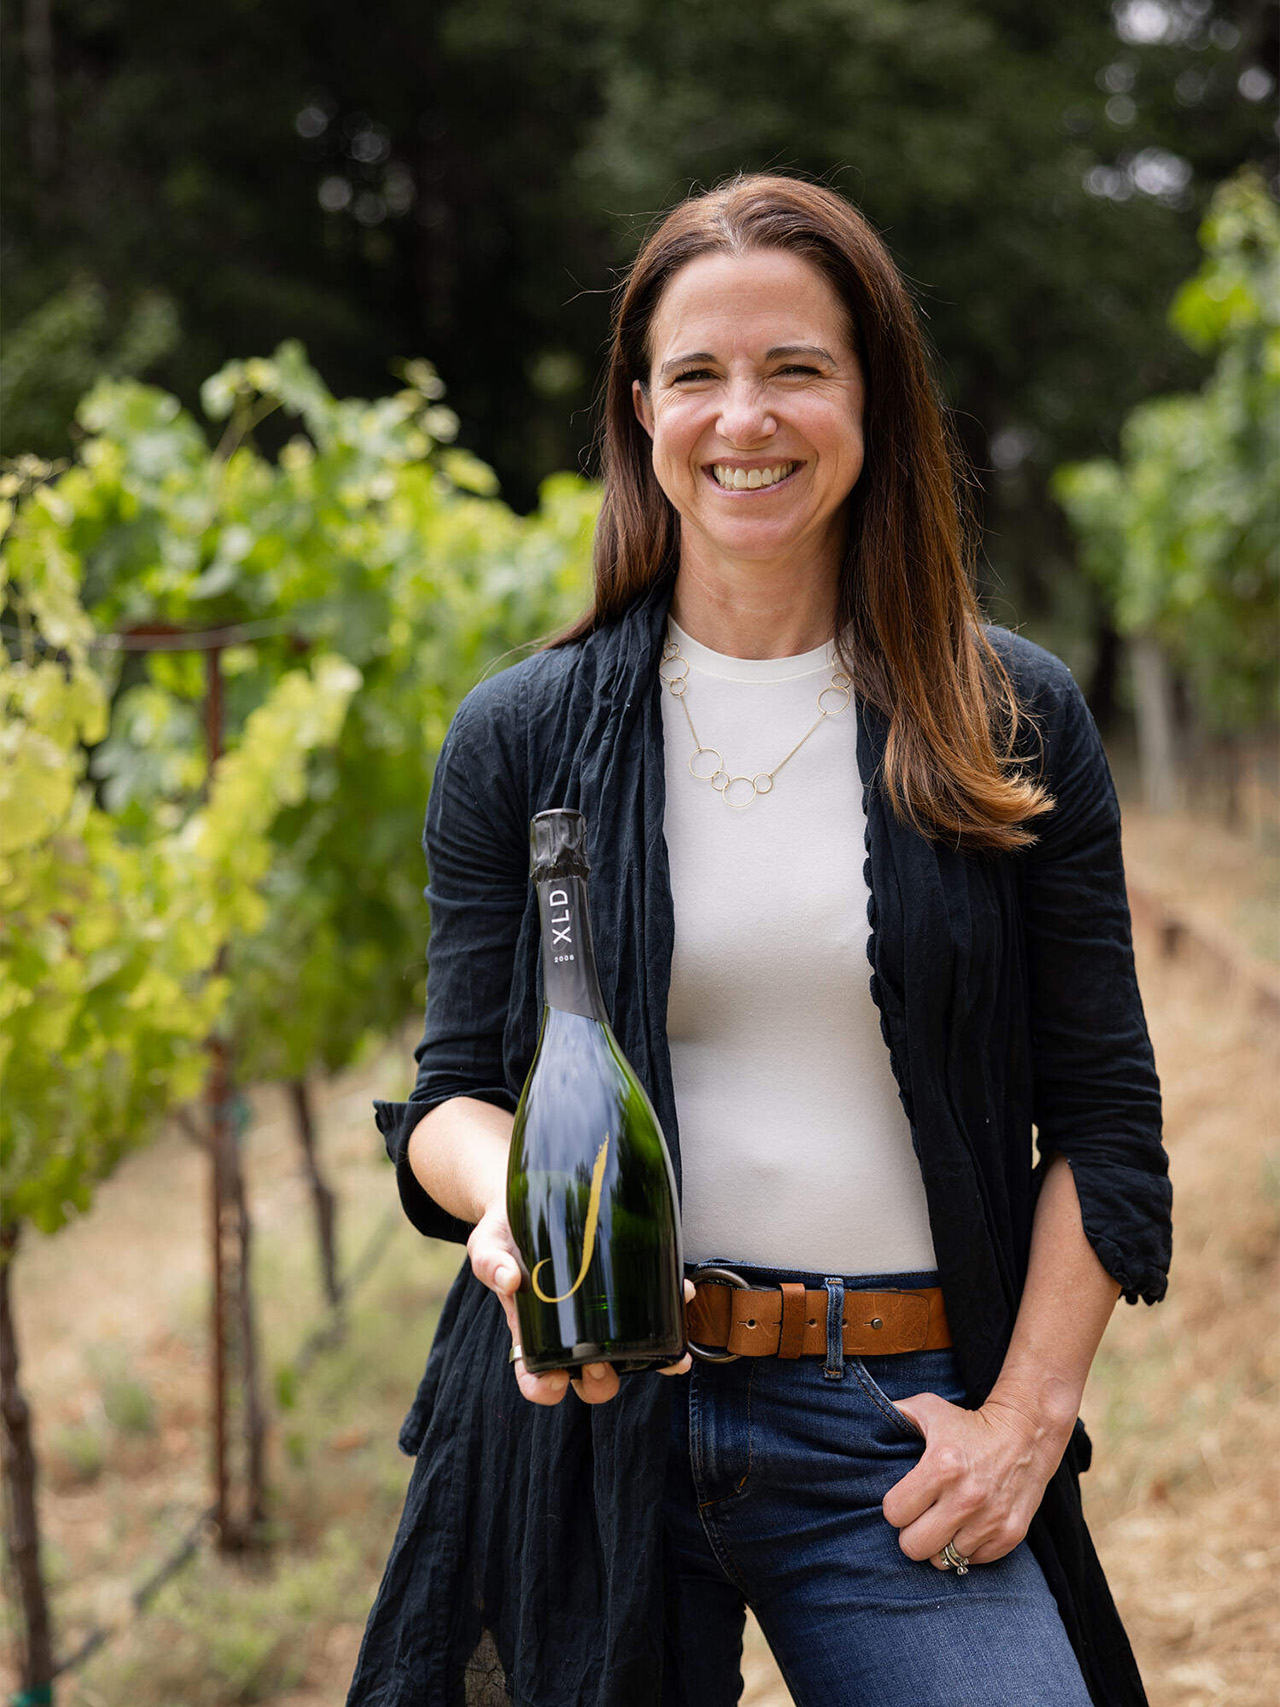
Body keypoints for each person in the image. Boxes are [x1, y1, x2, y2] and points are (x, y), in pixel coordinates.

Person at [346, 174, 1171, 1707]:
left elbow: (1110, 1132)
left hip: (899, 1423)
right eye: (699, 375)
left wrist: (1027, 1423)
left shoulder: (1006, 717)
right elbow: (451, 1098)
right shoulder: (521, 736)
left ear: (873, 398)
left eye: (797, 367)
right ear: (639, 405)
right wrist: (508, 1211)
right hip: (590, 1416)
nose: (746, 419)